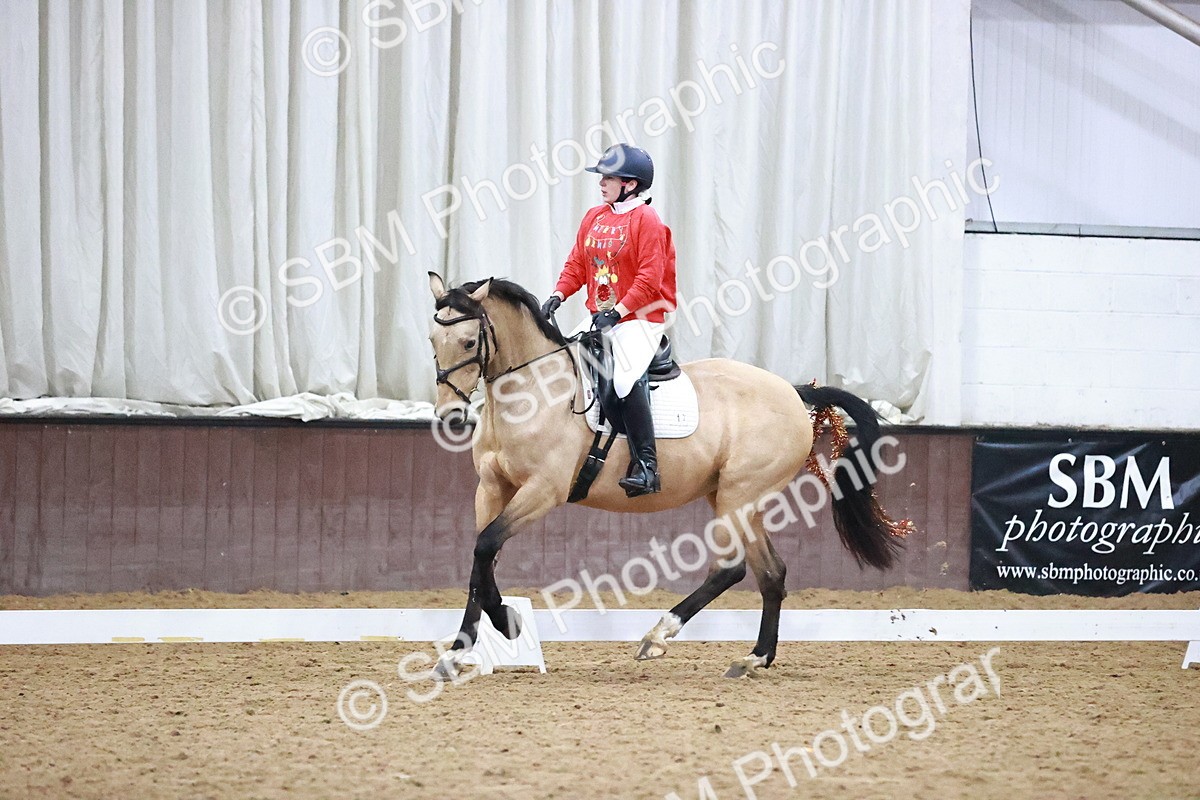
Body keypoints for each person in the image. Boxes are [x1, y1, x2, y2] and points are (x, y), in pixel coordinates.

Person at [541, 143, 677, 497]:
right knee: (559, 362)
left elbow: (649, 278)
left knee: (622, 380)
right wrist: (558, 294)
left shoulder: (647, 221)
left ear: (630, 184)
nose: (601, 183)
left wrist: (617, 313)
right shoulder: (595, 216)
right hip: (602, 317)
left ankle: (648, 467)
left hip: (641, 317)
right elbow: (578, 264)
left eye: (608, 178)